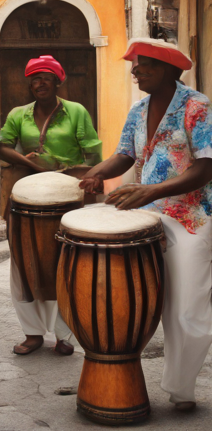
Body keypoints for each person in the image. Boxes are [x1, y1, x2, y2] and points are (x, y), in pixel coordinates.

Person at [80, 38, 212, 412]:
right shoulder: (138, 110)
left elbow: (206, 166)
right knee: (131, 298)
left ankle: (182, 389)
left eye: (145, 64)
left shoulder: (197, 107)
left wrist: (150, 189)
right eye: (136, 64)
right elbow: (124, 155)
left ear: (171, 69)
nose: (136, 70)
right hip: (146, 214)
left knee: (187, 307)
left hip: (190, 218)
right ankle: (116, 372)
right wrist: (96, 174)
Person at [0, 55, 102, 356]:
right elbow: (1, 145)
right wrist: (24, 161)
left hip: (67, 194)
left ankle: (64, 334)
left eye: (45, 77)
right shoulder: (19, 114)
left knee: (65, 265)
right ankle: (32, 333)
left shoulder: (76, 112)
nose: (38, 82)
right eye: (34, 77)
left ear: (57, 81)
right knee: (23, 266)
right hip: (28, 192)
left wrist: (82, 177)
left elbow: (93, 153)